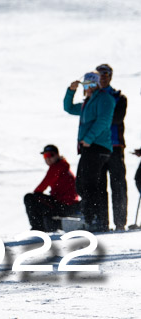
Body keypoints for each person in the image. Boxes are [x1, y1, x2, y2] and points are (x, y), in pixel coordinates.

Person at [63, 71, 115, 231]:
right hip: (88, 148)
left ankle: (94, 219)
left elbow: (104, 121)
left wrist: (89, 139)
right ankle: (93, 217)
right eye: (86, 85)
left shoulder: (104, 99)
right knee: (82, 184)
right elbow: (69, 108)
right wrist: (70, 91)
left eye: (92, 84)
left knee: (89, 184)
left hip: (97, 146)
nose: (89, 87)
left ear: (98, 84)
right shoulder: (88, 102)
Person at [96, 64, 128, 231]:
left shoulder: (119, 97)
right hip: (97, 147)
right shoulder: (92, 97)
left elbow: (116, 118)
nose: (103, 76)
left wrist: (100, 117)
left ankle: (120, 223)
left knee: (118, 186)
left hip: (115, 146)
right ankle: (102, 223)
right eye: (99, 74)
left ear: (110, 76)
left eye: (106, 74)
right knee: (99, 186)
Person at [24, 145, 80, 232]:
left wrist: (37, 195)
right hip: (69, 204)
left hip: (64, 205)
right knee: (41, 200)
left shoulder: (56, 167)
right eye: (45, 156)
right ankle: (47, 225)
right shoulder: (63, 166)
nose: (48, 158)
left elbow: (41, 187)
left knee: (30, 198)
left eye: (51, 155)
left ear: (57, 155)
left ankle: (38, 228)